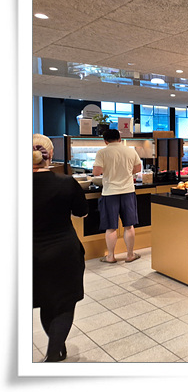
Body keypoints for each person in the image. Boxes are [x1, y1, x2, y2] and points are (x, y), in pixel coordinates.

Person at [33, 134, 89, 362]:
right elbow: (82, 212)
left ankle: (56, 347)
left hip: (30, 253)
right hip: (64, 251)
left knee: (45, 300)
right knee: (64, 302)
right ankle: (54, 350)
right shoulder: (66, 183)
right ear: (51, 155)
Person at [92, 128, 142, 263]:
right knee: (129, 225)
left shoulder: (102, 152)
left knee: (111, 227)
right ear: (120, 139)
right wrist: (126, 172)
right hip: (128, 191)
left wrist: (108, 171)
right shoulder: (130, 150)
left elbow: (96, 172)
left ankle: (110, 256)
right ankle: (130, 255)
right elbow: (138, 168)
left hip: (110, 193)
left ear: (105, 141)